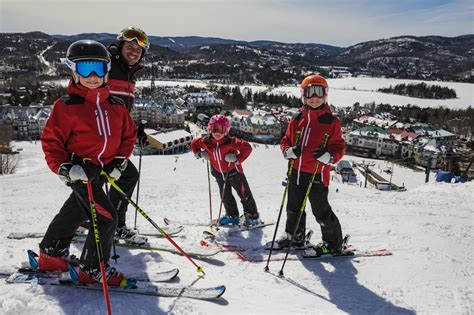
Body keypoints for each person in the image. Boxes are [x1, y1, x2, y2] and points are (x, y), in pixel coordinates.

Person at [38, 40, 137, 285]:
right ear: (73, 71)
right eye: (85, 70)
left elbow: (128, 136)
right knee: (106, 218)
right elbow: (51, 142)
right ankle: (92, 269)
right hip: (81, 171)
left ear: (106, 72)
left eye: (98, 69)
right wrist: (66, 168)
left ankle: (52, 253)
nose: (92, 76)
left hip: (103, 170)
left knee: (76, 209)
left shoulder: (115, 106)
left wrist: (118, 163)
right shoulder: (67, 106)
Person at [278, 74, 346, 254]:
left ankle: (333, 244)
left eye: (319, 93)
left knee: (321, 211)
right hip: (296, 171)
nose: (314, 98)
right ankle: (294, 236)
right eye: (310, 93)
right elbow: (285, 140)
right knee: (294, 208)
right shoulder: (297, 118)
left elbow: (339, 147)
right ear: (303, 95)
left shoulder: (331, 121)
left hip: (317, 174)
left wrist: (330, 157)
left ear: (325, 95)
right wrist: (287, 151)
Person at [106, 26, 150, 244]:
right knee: (125, 176)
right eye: (130, 46)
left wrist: (134, 130)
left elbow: (119, 113)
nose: (134, 51)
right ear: (120, 46)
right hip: (101, 138)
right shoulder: (108, 66)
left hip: (114, 137)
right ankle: (114, 224)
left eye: (139, 49)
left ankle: (101, 221)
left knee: (94, 181)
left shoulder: (128, 73)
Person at [192, 115, 260, 226]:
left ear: (226, 130)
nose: (217, 132)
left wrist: (237, 159)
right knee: (225, 196)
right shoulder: (206, 141)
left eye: (221, 129)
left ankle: (252, 216)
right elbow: (194, 143)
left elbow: (247, 148)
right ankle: (232, 216)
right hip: (218, 174)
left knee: (244, 194)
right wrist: (199, 153)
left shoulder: (232, 142)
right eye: (214, 128)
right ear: (210, 128)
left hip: (234, 172)